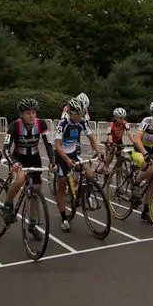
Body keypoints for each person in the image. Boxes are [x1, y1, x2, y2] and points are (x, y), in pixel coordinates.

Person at [1, 98, 54, 239]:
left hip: (35, 158)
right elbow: (5, 148)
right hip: (19, 158)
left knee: (35, 193)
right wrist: (12, 162)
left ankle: (32, 224)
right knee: (19, 180)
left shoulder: (41, 124)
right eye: (28, 113)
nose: (32, 116)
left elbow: (49, 144)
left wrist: (52, 161)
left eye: (34, 112)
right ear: (21, 114)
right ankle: (7, 205)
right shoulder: (14, 125)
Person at [53, 98, 102, 231]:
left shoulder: (82, 123)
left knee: (89, 173)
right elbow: (57, 146)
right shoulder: (62, 124)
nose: (80, 117)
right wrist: (67, 160)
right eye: (78, 115)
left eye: (81, 114)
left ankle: (84, 194)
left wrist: (98, 152)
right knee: (62, 187)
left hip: (73, 153)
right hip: (61, 155)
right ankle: (64, 218)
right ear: (71, 113)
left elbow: (92, 139)